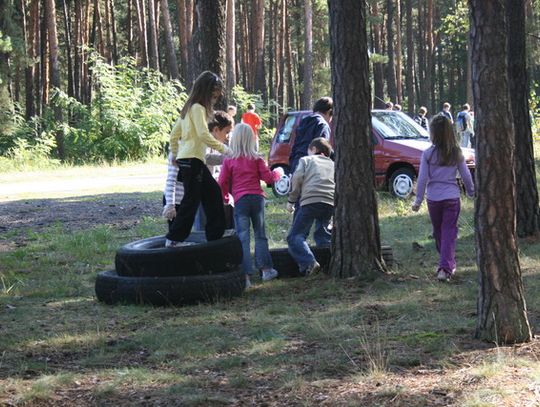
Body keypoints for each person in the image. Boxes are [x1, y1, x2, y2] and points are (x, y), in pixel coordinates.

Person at [166, 71, 230, 247]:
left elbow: (174, 136)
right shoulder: (197, 108)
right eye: (213, 94)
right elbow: (203, 135)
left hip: (192, 160)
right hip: (193, 159)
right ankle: (174, 239)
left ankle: (215, 236)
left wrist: (175, 155)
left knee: (213, 194)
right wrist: (226, 150)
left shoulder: (188, 108)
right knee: (191, 201)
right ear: (206, 91)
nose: (214, 98)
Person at [412, 114, 474, 282]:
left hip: (434, 200)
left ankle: (445, 267)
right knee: (445, 232)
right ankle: (448, 264)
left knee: (443, 232)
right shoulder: (455, 152)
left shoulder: (428, 154)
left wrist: (418, 201)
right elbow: (466, 175)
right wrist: (471, 191)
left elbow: (423, 178)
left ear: (433, 133)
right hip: (451, 198)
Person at [218, 123, 282, 288]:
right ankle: (266, 270)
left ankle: (245, 276)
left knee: (243, 238)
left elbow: (222, 182)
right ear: (251, 139)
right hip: (257, 199)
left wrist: (225, 197)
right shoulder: (257, 158)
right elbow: (268, 178)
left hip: (240, 201)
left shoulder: (229, 160)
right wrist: (278, 174)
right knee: (260, 235)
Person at [286, 138, 335, 277]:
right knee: (323, 236)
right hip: (330, 202)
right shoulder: (333, 164)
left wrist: (291, 200)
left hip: (310, 201)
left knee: (295, 236)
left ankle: (310, 263)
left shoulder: (306, 160)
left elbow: (297, 178)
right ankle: (328, 265)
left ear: (313, 149)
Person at [193, 111, 234, 231]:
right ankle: (201, 241)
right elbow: (205, 158)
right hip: (200, 186)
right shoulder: (205, 141)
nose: (227, 136)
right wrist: (226, 159)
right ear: (216, 130)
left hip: (209, 185)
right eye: (226, 132)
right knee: (202, 219)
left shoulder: (215, 144)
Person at [289, 97, 333, 173]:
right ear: (329, 112)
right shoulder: (323, 125)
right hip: (312, 168)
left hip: (296, 164)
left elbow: (295, 145)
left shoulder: (303, 122)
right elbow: (323, 150)